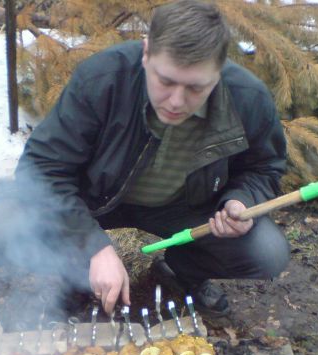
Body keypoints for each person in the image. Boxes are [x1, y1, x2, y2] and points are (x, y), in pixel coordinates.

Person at [16, 0, 289, 317]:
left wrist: (241, 200)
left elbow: (264, 168)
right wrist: (92, 246)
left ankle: (178, 272)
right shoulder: (104, 78)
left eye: (195, 88)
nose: (176, 101)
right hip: (97, 197)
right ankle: (78, 276)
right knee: (7, 223)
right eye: (166, 81)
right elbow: (41, 169)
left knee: (266, 251)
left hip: (185, 205)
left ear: (218, 74)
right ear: (146, 53)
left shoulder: (248, 98)